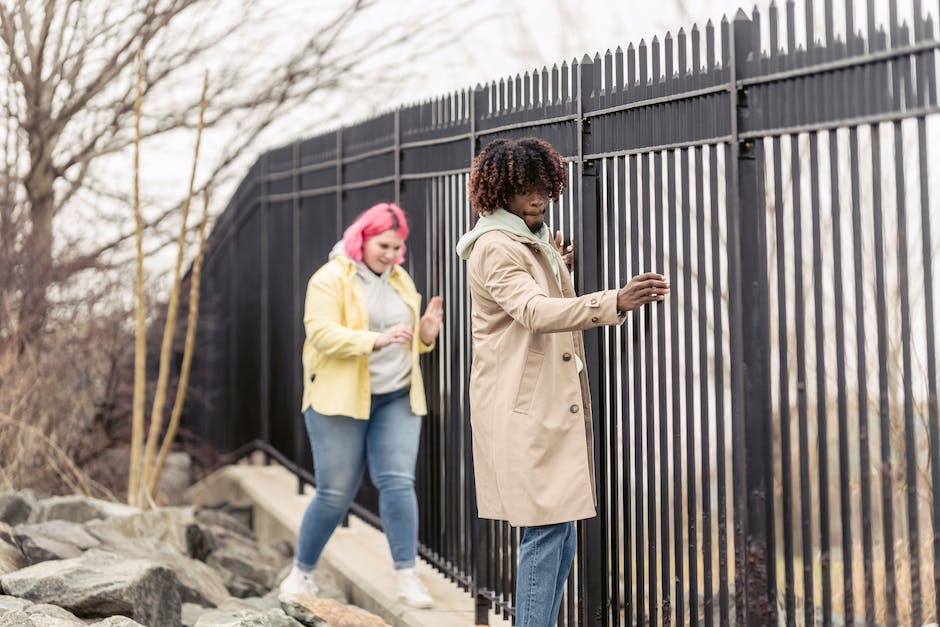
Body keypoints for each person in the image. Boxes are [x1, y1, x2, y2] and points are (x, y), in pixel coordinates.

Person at [455, 137, 669, 627]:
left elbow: (534, 291)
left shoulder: (531, 241)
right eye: (527, 189)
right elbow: (531, 310)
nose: (538, 198)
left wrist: (556, 264)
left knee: (560, 529)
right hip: (522, 404)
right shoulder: (495, 247)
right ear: (500, 190)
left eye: (545, 188)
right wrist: (615, 300)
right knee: (546, 530)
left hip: (539, 401)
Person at [279, 202, 444, 609]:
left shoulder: (401, 280)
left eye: (397, 248)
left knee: (398, 481)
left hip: (396, 396)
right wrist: (374, 340)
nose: (390, 255)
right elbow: (320, 334)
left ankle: (407, 577)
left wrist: (425, 335)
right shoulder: (330, 278)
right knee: (336, 491)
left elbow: (410, 340)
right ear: (362, 238)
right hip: (339, 397)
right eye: (383, 245)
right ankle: (301, 572)